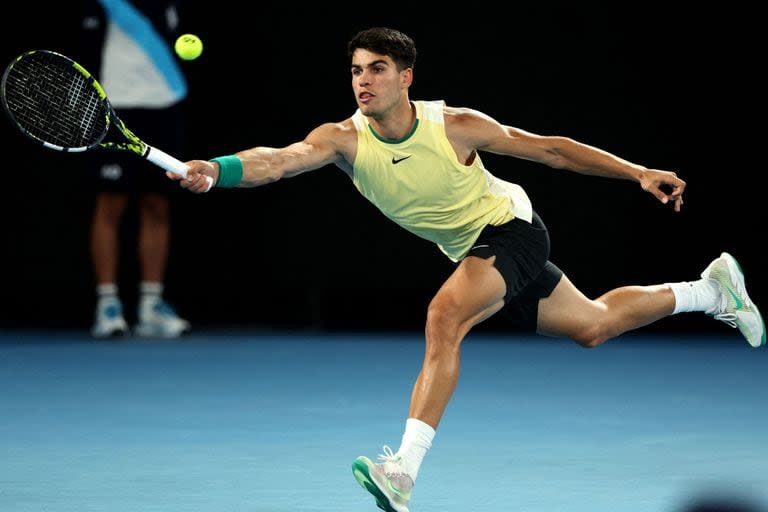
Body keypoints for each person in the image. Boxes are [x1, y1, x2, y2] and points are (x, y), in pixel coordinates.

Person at [170, 27, 764, 512]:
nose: (363, 81)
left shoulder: (453, 126)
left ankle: (402, 469)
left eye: (376, 69)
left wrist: (636, 172)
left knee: (444, 316)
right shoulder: (342, 140)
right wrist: (218, 169)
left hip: (511, 231)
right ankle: (711, 291)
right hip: (470, 251)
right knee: (593, 325)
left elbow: (551, 148)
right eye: (355, 70)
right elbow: (278, 161)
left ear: (405, 77)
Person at [83, 0, 191, 338]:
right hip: (117, 104)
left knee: (158, 204)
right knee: (110, 204)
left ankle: (150, 305)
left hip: (165, 104)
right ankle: (108, 304)